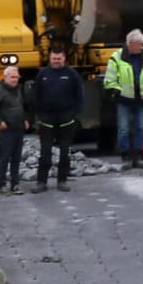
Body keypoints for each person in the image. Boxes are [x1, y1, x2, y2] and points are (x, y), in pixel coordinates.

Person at [32, 45, 82, 192]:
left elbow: (80, 95)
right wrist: (39, 114)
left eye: (59, 59)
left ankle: (62, 181)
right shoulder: (43, 74)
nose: (56, 61)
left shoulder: (71, 74)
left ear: (64, 58)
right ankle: (41, 182)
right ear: (50, 58)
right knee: (45, 153)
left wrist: (75, 113)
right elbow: (35, 95)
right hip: (47, 121)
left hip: (66, 121)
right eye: (54, 59)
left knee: (65, 153)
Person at [105, 28, 143, 169]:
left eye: (141, 44)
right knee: (123, 129)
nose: (141, 47)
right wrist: (117, 92)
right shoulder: (116, 58)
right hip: (124, 100)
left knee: (141, 128)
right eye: (139, 44)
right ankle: (125, 156)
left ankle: (138, 156)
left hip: (140, 99)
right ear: (130, 44)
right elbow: (109, 79)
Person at [0, 65, 29, 194]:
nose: (15, 79)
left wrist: (25, 119)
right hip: (7, 130)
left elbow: (21, 106)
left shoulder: (18, 89)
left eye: (17, 77)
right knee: (5, 158)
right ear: (5, 77)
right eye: (12, 77)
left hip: (19, 128)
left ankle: (15, 184)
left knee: (16, 158)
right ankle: (2, 185)